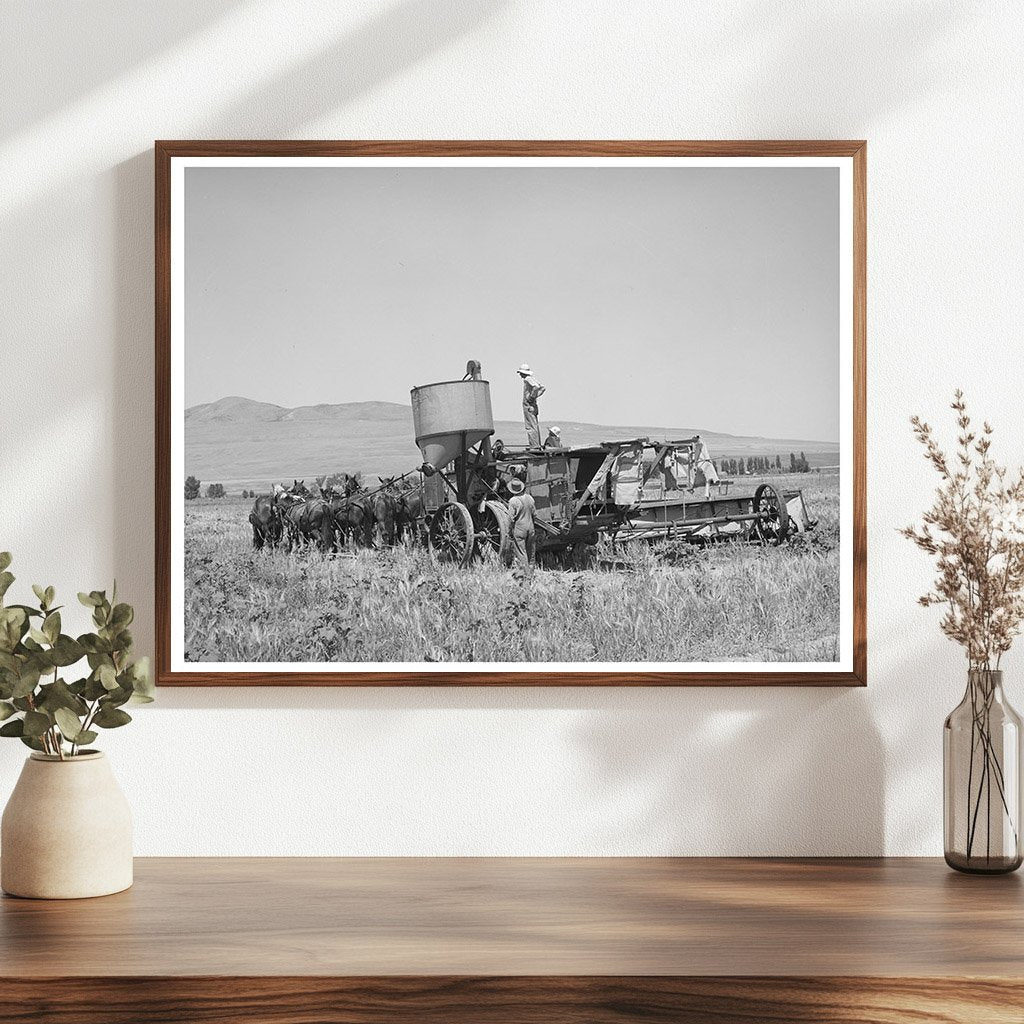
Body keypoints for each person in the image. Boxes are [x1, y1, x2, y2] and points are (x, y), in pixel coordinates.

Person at [506, 477, 537, 570]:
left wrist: (509, 531)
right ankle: (531, 572)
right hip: (531, 528)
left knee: (521, 552)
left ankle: (525, 574)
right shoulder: (530, 498)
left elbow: (510, 519)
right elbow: (535, 515)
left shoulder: (513, 501)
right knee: (531, 551)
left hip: (520, 529)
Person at [517, 363, 545, 448]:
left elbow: (536, 387)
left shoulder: (527, 379)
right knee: (534, 425)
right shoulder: (532, 379)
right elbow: (542, 388)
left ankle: (534, 445)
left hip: (528, 405)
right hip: (532, 405)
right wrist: (535, 396)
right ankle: (536, 444)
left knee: (530, 426)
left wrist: (531, 397)